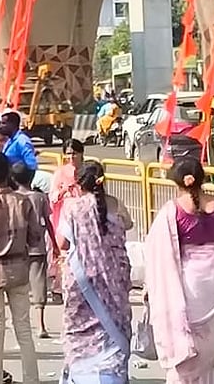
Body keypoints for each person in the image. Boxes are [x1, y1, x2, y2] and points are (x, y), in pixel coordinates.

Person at [145, 156, 214, 383]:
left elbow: (156, 257)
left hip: (189, 294)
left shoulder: (171, 213)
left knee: (191, 348)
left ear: (177, 183)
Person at [56, 161, 133, 383]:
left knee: (80, 332)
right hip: (115, 281)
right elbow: (128, 224)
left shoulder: (72, 207)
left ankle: (80, 375)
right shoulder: (115, 205)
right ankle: (113, 374)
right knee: (113, 329)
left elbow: (62, 242)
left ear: (78, 184)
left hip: (81, 282)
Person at [0, 152, 41, 384]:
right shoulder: (24, 202)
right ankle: (32, 379)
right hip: (20, 271)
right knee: (23, 329)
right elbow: (35, 239)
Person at [11, 161, 54, 339]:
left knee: (18, 288)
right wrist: (55, 244)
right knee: (38, 284)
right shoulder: (40, 197)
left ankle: (20, 324)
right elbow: (49, 221)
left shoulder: (12, 197)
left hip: (16, 247)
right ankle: (40, 325)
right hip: (37, 246)